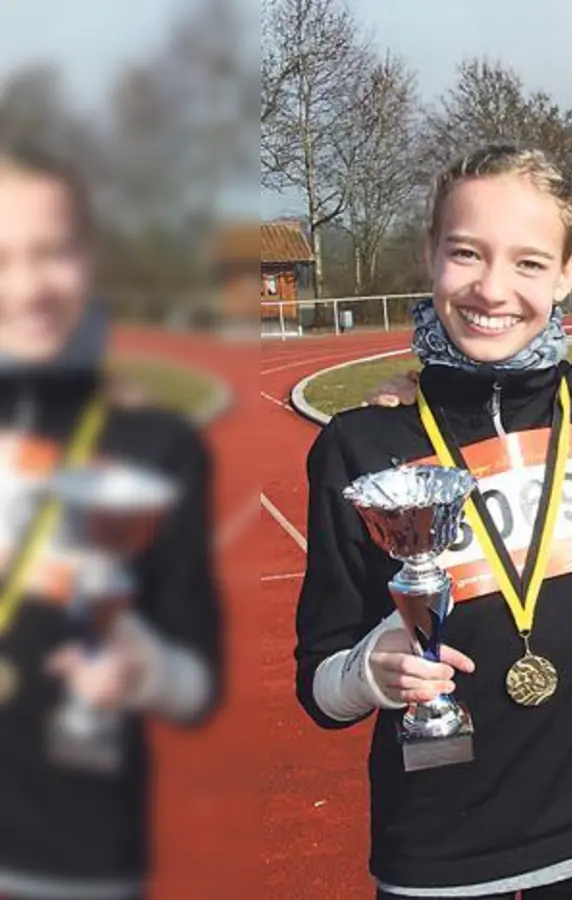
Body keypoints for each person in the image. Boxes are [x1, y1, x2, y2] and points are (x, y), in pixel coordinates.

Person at [293, 145, 572, 899]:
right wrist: (369, 672)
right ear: (430, 255)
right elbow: (319, 685)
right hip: (437, 855)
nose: (493, 288)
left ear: (568, 274)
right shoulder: (364, 447)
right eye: (466, 253)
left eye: (529, 262)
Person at [0, 141, 222, 899]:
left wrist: (141, 668)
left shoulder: (154, 445)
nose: (26, 286)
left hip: (75, 856)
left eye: (50, 253)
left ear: (90, 261)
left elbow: (197, 687)